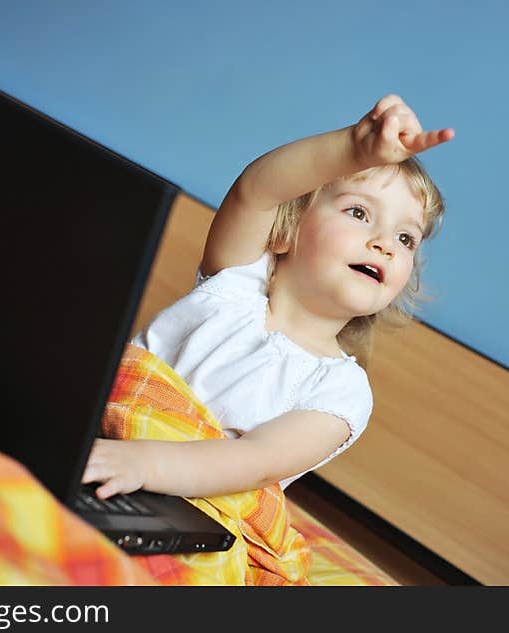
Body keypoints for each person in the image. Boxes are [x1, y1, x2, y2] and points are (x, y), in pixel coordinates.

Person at [84, 94, 454, 499]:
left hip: (191, 508)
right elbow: (255, 191)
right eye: (358, 213)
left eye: (406, 238)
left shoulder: (341, 389)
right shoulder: (234, 286)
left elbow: (256, 462)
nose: (385, 244)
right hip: (97, 442)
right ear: (284, 231)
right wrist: (350, 149)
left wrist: (143, 463)